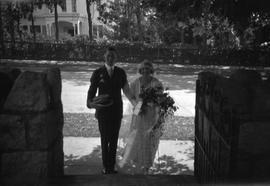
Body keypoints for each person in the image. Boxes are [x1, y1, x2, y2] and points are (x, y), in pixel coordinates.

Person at [87, 47, 135, 174]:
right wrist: (90, 104)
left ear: (116, 58)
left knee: (114, 139)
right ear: (104, 56)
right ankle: (105, 166)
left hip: (116, 111)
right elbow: (91, 91)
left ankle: (111, 165)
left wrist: (136, 104)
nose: (110, 58)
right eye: (108, 55)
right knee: (104, 138)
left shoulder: (121, 72)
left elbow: (127, 90)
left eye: (113, 56)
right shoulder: (97, 72)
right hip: (103, 112)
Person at [119, 60, 164, 174]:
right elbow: (130, 96)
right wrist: (136, 105)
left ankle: (147, 164)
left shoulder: (157, 83)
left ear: (151, 70)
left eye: (148, 68)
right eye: (143, 68)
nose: (145, 70)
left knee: (149, 137)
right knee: (136, 136)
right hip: (138, 111)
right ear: (140, 70)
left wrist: (158, 114)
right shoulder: (135, 83)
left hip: (151, 113)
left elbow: (160, 100)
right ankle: (138, 161)